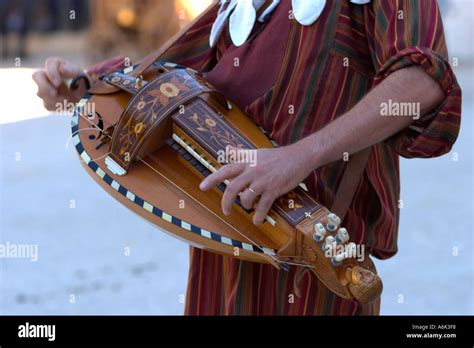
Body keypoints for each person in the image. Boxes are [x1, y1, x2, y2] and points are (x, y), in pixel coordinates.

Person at [33, 0, 461, 315]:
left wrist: (298, 157)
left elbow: (421, 82)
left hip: (319, 260)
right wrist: (84, 82)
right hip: (224, 248)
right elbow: (171, 71)